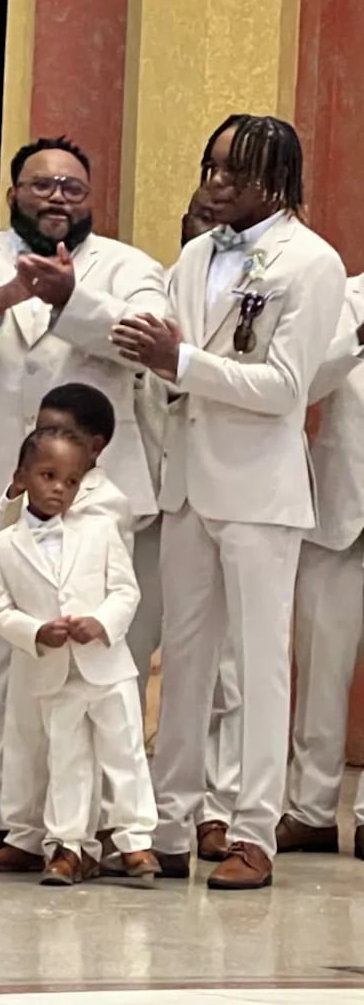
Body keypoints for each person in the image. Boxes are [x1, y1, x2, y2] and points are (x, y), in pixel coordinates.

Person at [0, 136, 167, 858]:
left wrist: (69, 298)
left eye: (72, 188)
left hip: (93, 502)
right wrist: (4, 297)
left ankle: (85, 831)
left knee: (90, 670)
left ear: (90, 199)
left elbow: (147, 340)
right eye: (41, 184)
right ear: (14, 192)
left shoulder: (129, 266)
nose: (57, 197)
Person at [114, 114, 348, 889]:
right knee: (182, 661)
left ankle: (255, 831)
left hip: (258, 488)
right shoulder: (193, 255)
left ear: (278, 181)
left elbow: (286, 390)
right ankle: (171, 823)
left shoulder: (310, 263)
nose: (215, 185)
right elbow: (180, 363)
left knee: (257, 663)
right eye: (211, 167)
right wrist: (158, 356)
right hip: (187, 479)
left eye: (235, 174)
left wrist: (178, 359)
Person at [0, 428, 158, 885]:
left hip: (106, 667)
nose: (60, 488)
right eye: (48, 475)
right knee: (66, 761)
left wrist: (102, 621)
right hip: (53, 673)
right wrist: (37, 631)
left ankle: (136, 839)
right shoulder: (4, 545)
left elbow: (125, 589)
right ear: (21, 477)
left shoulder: (99, 531)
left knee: (125, 752)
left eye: (72, 481)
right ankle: (68, 846)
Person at [141, 187, 242, 865]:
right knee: (181, 660)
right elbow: (153, 387)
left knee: (234, 669)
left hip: (238, 487)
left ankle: (224, 807)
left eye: (217, 217)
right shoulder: (167, 288)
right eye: (196, 218)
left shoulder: (267, 288)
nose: (206, 227)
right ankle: (169, 807)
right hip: (166, 490)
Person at [280, 272, 364, 858]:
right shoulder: (340, 292)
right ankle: (310, 811)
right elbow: (303, 384)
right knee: (320, 673)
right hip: (340, 513)